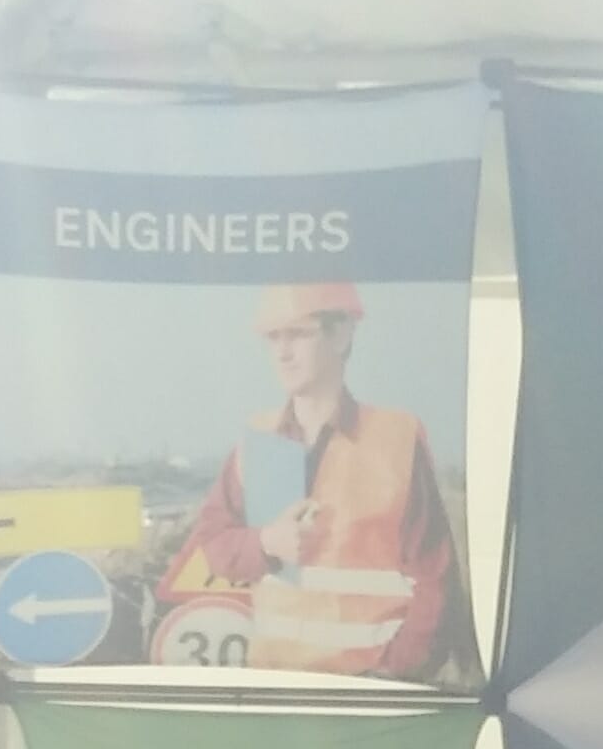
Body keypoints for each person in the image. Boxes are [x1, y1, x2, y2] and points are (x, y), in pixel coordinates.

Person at [155, 280, 476, 682]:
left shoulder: (394, 439)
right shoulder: (261, 441)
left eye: (298, 334)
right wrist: (266, 543)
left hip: (368, 691)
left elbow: (436, 582)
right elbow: (215, 541)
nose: (282, 352)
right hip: (276, 687)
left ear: (340, 335)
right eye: (273, 338)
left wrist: (394, 673)